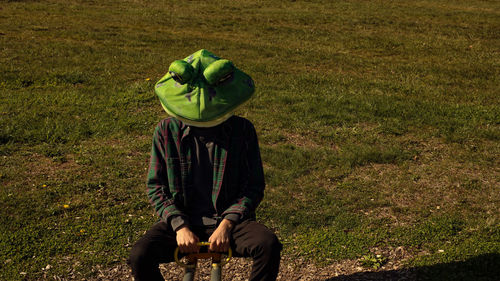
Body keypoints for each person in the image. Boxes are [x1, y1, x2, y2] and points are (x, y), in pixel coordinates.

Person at [128, 49, 282, 281]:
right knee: (139, 255)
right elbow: (156, 187)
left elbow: (253, 186)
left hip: (229, 222)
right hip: (183, 221)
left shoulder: (243, 130)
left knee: (268, 245)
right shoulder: (165, 131)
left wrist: (227, 224)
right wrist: (180, 226)